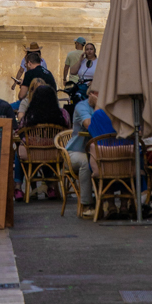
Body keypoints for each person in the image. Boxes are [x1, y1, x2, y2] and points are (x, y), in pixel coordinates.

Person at [66, 86, 97, 214]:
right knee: (86, 162)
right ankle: (86, 204)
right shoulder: (81, 106)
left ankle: (109, 202)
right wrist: (99, 107)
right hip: (75, 152)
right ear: (91, 93)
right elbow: (89, 125)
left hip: (96, 151)